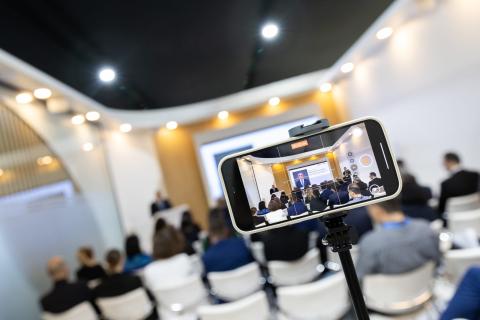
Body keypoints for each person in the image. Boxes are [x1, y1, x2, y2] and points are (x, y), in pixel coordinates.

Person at [356, 198, 440, 279]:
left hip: (387, 292)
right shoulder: (426, 228)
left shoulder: (370, 242)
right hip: (425, 289)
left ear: (376, 208)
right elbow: (437, 264)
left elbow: (361, 280)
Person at [93, 250, 156, 319]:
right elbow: (150, 299)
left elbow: (99, 313)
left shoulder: (98, 290)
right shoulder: (135, 280)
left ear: (107, 263)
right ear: (122, 261)